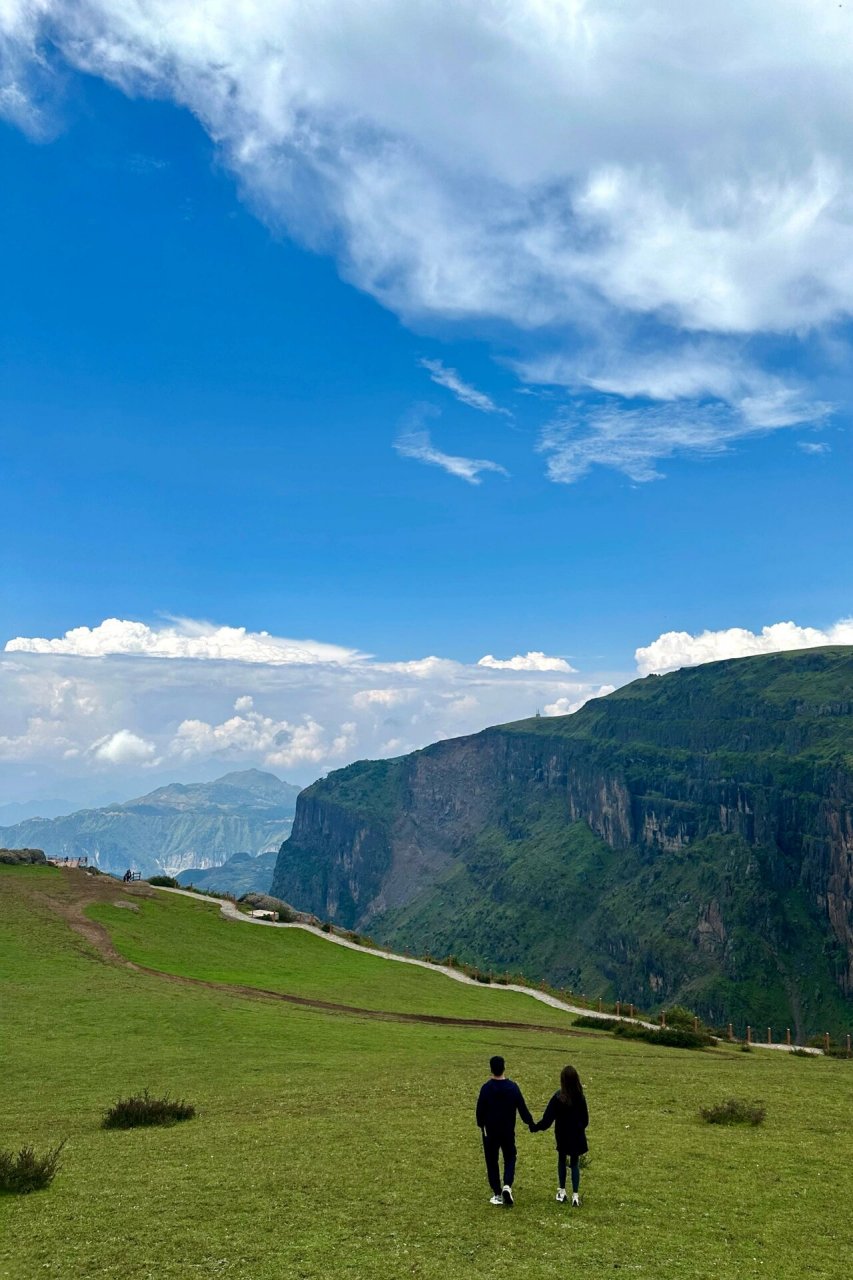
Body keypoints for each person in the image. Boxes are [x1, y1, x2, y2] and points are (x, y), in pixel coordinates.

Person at [475, 1055, 534, 1207]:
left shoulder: (486, 1088)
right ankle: (507, 1184)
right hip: (507, 1130)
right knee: (510, 1157)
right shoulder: (513, 1088)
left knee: (492, 1161)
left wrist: (481, 1124)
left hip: (491, 1131)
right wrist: (531, 1123)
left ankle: (497, 1192)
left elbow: (479, 1111)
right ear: (504, 1068)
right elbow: (522, 1108)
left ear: (491, 1069)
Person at [532, 1063, 589, 1206]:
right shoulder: (580, 1097)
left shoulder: (558, 1097)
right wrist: (579, 1128)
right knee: (575, 1163)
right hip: (576, 1134)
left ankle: (562, 1191)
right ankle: (575, 1195)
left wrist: (535, 1127)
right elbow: (585, 1119)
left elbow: (547, 1120)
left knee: (562, 1160)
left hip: (562, 1134)